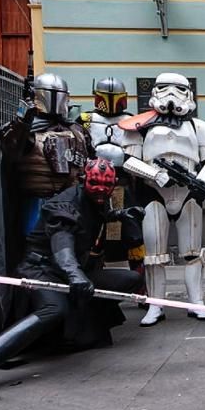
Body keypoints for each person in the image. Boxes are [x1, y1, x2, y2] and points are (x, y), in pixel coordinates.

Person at [0, 159, 145, 402]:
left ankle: (78, 333)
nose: (101, 189)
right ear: (83, 180)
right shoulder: (64, 202)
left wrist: (121, 214)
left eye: (106, 185)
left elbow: (93, 215)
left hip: (72, 271)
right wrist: (75, 274)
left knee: (130, 279)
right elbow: (62, 243)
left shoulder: (95, 199)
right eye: (95, 184)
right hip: (41, 270)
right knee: (53, 308)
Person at [117, 73, 205, 325]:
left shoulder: (199, 127)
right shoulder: (140, 125)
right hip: (153, 192)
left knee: (193, 252)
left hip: (188, 193)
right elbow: (128, 160)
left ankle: (197, 301)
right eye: (165, 88)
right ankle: (156, 305)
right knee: (154, 255)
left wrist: (200, 180)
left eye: (179, 89)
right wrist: (155, 174)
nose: (171, 94)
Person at [0, 73, 92, 282]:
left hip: (72, 204)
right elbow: (11, 150)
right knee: (36, 256)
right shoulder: (25, 130)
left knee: (75, 255)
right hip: (37, 203)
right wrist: (22, 125)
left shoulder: (77, 130)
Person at [80, 76, 143, 275]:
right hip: (92, 185)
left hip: (122, 181)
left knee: (133, 232)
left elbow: (137, 152)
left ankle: (140, 284)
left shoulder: (131, 121)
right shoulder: (85, 120)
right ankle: (93, 275)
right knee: (94, 230)